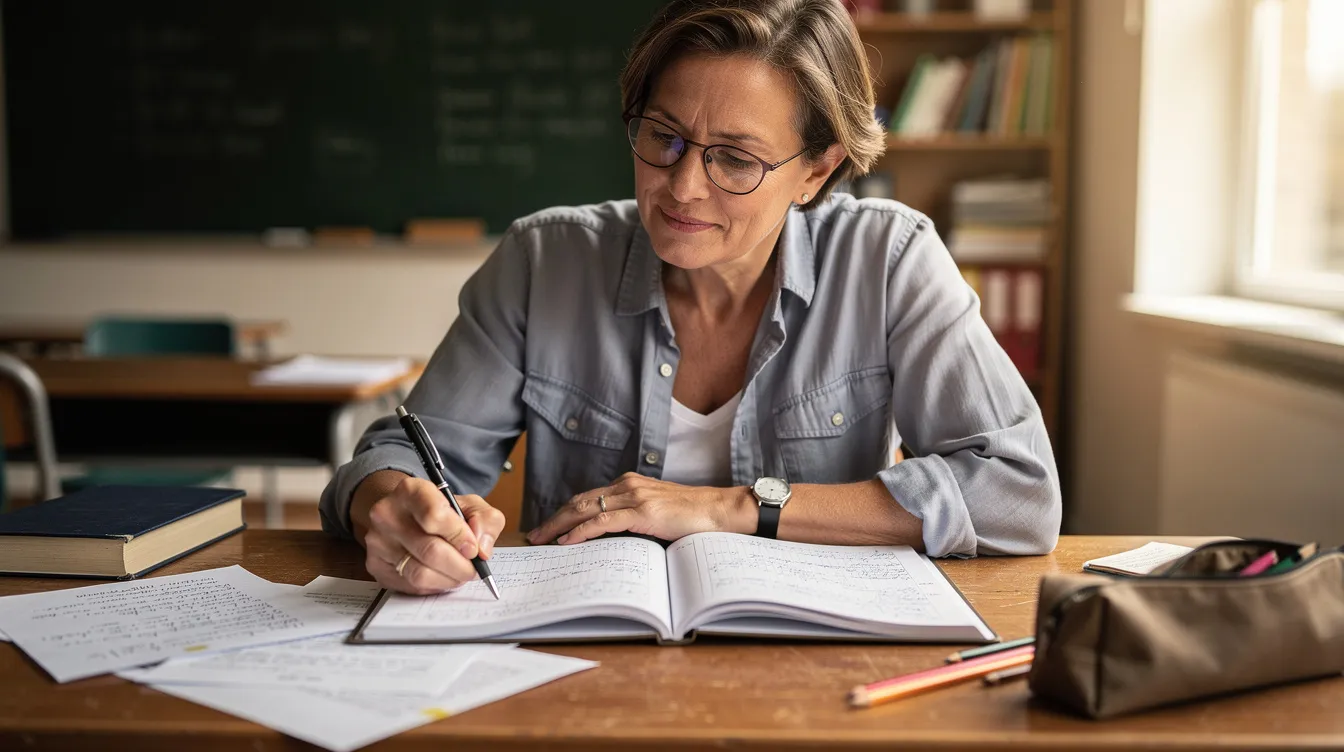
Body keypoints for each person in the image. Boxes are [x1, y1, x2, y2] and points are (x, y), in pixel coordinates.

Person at [319, 0, 1062, 595]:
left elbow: (1018, 490)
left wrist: (727, 507)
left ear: (816, 171)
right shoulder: (544, 262)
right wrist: (394, 510)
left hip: (818, 663)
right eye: (663, 136)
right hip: (579, 655)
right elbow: (398, 457)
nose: (681, 186)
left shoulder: (889, 261)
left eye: (734, 159)